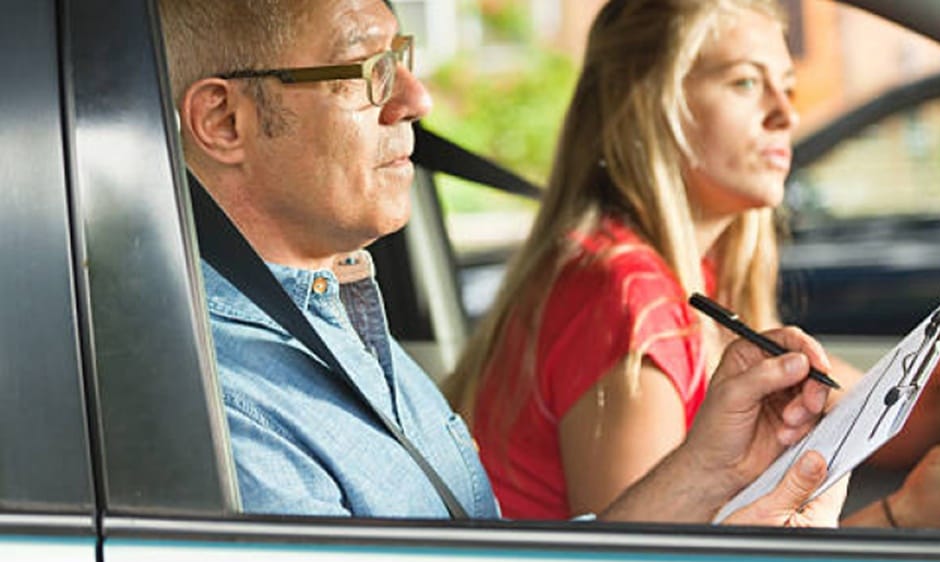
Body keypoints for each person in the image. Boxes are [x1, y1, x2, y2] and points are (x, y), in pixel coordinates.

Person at [157, 0, 847, 526]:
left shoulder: (338, 314)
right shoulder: (224, 410)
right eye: (368, 70)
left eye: (403, 56)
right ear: (224, 121)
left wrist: (710, 477)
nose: (416, 98)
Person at [443, 0, 940, 529]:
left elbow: (869, 418)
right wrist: (899, 520)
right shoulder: (622, 296)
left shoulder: (699, 281)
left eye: (786, 85)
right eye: (746, 82)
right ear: (650, 104)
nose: (787, 113)